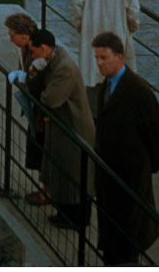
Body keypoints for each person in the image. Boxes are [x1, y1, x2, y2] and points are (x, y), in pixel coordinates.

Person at [90, 31, 159, 265]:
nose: (99, 63)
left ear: (120, 57)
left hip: (129, 176)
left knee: (127, 237)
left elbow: (158, 131)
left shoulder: (138, 90)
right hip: (110, 174)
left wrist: (152, 164)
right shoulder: (108, 85)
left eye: (104, 58)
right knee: (114, 233)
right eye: (96, 58)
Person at [26, 28, 96, 229]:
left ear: (45, 48)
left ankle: (77, 219)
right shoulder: (56, 60)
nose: (33, 55)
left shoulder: (63, 68)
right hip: (64, 126)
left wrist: (40, 89)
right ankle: (65, 214)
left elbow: (51, 98)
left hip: (75, 128)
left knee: (74, 175)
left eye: (34, 51)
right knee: (63, 172)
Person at [73, 0, 140, 97]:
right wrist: (131, 28)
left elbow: (77, 13)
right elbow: (133, 14)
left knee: (92, 82)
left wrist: (82, 29)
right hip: (118, 34)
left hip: (91, 36)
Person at [4, 13, 45, 173]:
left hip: (41, 108)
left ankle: (46, 190)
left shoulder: (35, 49)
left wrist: (25, 78)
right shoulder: (24, 48)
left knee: (41, 146)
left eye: (12, 35)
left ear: (24, 35)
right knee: (35, 144)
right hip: (34, 107)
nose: (10, 40)